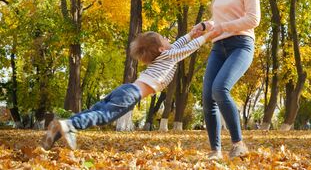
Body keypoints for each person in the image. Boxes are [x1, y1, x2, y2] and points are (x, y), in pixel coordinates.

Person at [41, 29, 219, 150]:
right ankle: (69, 125)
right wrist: (207, 36)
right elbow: (187, 49)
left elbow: (180, 44)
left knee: (94, 111)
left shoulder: (164, 54)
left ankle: (57, 131)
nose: (170, 40)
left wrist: (191, 33)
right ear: (161, 48)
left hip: (126, 89)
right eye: (166, 39)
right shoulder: (168, 55)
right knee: (102, 117)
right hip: (131, 95)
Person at [191, 0, 260, 159]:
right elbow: (217, 21)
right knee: (207, 97)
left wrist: (225, 27)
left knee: (220, 89)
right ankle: (216, 150)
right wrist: (204, 25)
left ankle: (238, 144)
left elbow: (253, 19)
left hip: (241, 44)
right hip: (218, 47)